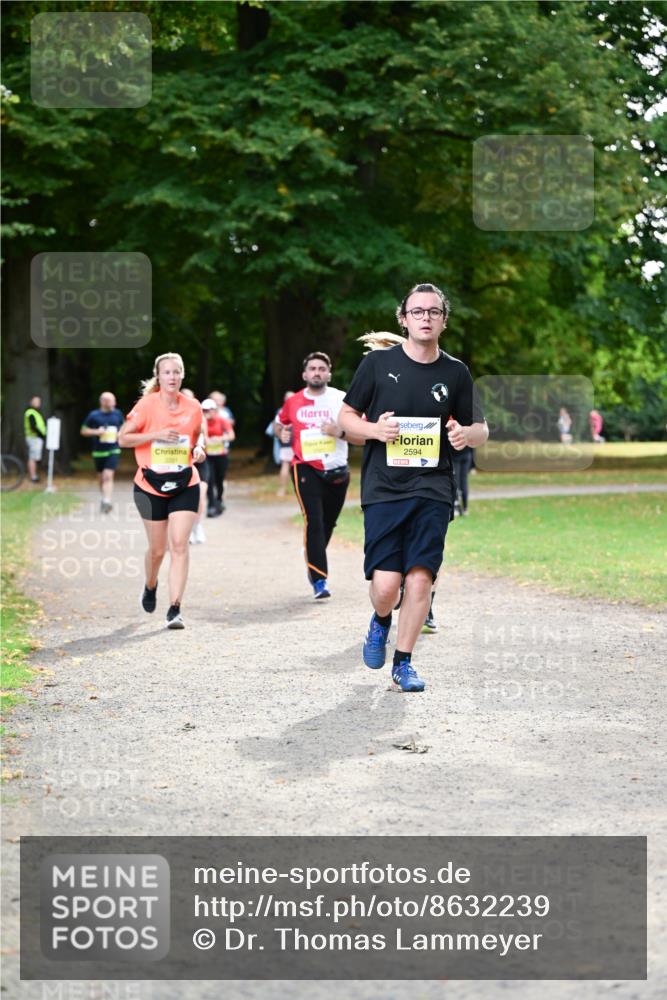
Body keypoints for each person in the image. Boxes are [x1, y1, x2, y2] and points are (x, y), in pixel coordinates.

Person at [339, 282, 488, 692]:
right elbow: (346, 417)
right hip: (384, 488)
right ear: (403, 319)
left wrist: (465, 436)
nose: (425, 318)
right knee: (386, 587)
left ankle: (403, 663)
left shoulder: (455, 372)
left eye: (433, 312)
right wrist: (374, 429)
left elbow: (480, 428)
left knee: (421, 576)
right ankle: (381, 619)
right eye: (417, 311)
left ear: (443, 320)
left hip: (434, 487)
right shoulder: (376, 366)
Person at [118, 353, 206, 629]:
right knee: (158, 550)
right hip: (149, 485)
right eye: (167, 372)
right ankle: (150, 583)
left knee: (179, 545)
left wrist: (200, 447)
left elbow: (199, 432)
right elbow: (123, 438)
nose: (172, 377)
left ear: (182, 375)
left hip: (185, 483)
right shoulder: (146, 406)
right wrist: (153, 435)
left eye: (176, 372)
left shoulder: (193, 406)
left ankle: (175, 608)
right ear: (158, 376)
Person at [275, 352, 358, 599]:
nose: (317, 372)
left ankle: (313, 554)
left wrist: (339, 432)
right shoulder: (294, 402)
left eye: (322, 368)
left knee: (327, 524)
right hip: (305, 466)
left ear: (329, 373)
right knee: (314, 521)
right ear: (304, 374)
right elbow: (280, 424)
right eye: (312, 369)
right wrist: (282, 434)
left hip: (337, 469)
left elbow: (361, 435)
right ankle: (319, 580)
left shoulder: (342, 400)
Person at [80, 392, 125, 513]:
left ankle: (107, 500)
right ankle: (104, 497)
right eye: (111, 401)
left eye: (114, 400)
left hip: (113, 449)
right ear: (103, 402)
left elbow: (124, 427)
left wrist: (120, 433)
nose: (114, 403)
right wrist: (96, 432)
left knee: (107, 475)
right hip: (98, 451)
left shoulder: (118, 413)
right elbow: (83, 430)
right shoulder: (94, 415)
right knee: (100, 478)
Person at [202, 398, 235, 516]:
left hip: (221, 454)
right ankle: (211, 505)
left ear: (215, 410)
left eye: (209, 410)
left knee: (219, 480)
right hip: (207, 455)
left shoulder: (222, 420)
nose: (206, 413)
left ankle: (219, 500)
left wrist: (219, 439)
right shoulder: (202, 422)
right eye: (204, 410)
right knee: (209, 480)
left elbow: (231, 436)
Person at [266, 391, 295, 496]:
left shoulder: (281, 411)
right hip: (298, 441)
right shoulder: (299, 409)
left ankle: (282, 490)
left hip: (286, 441)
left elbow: (274, 427)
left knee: (285, 465)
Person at [24, 395, 46, 483]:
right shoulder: (30, 413)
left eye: (39, 401)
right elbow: (33, 426)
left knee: (35, 457)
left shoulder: (36, 412)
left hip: (36, 438)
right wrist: (41, 435)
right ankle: (33, 476)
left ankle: (34, 475)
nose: (38, 403)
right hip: (34, 438)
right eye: (36, 401)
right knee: (33, 457)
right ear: (31, 402)